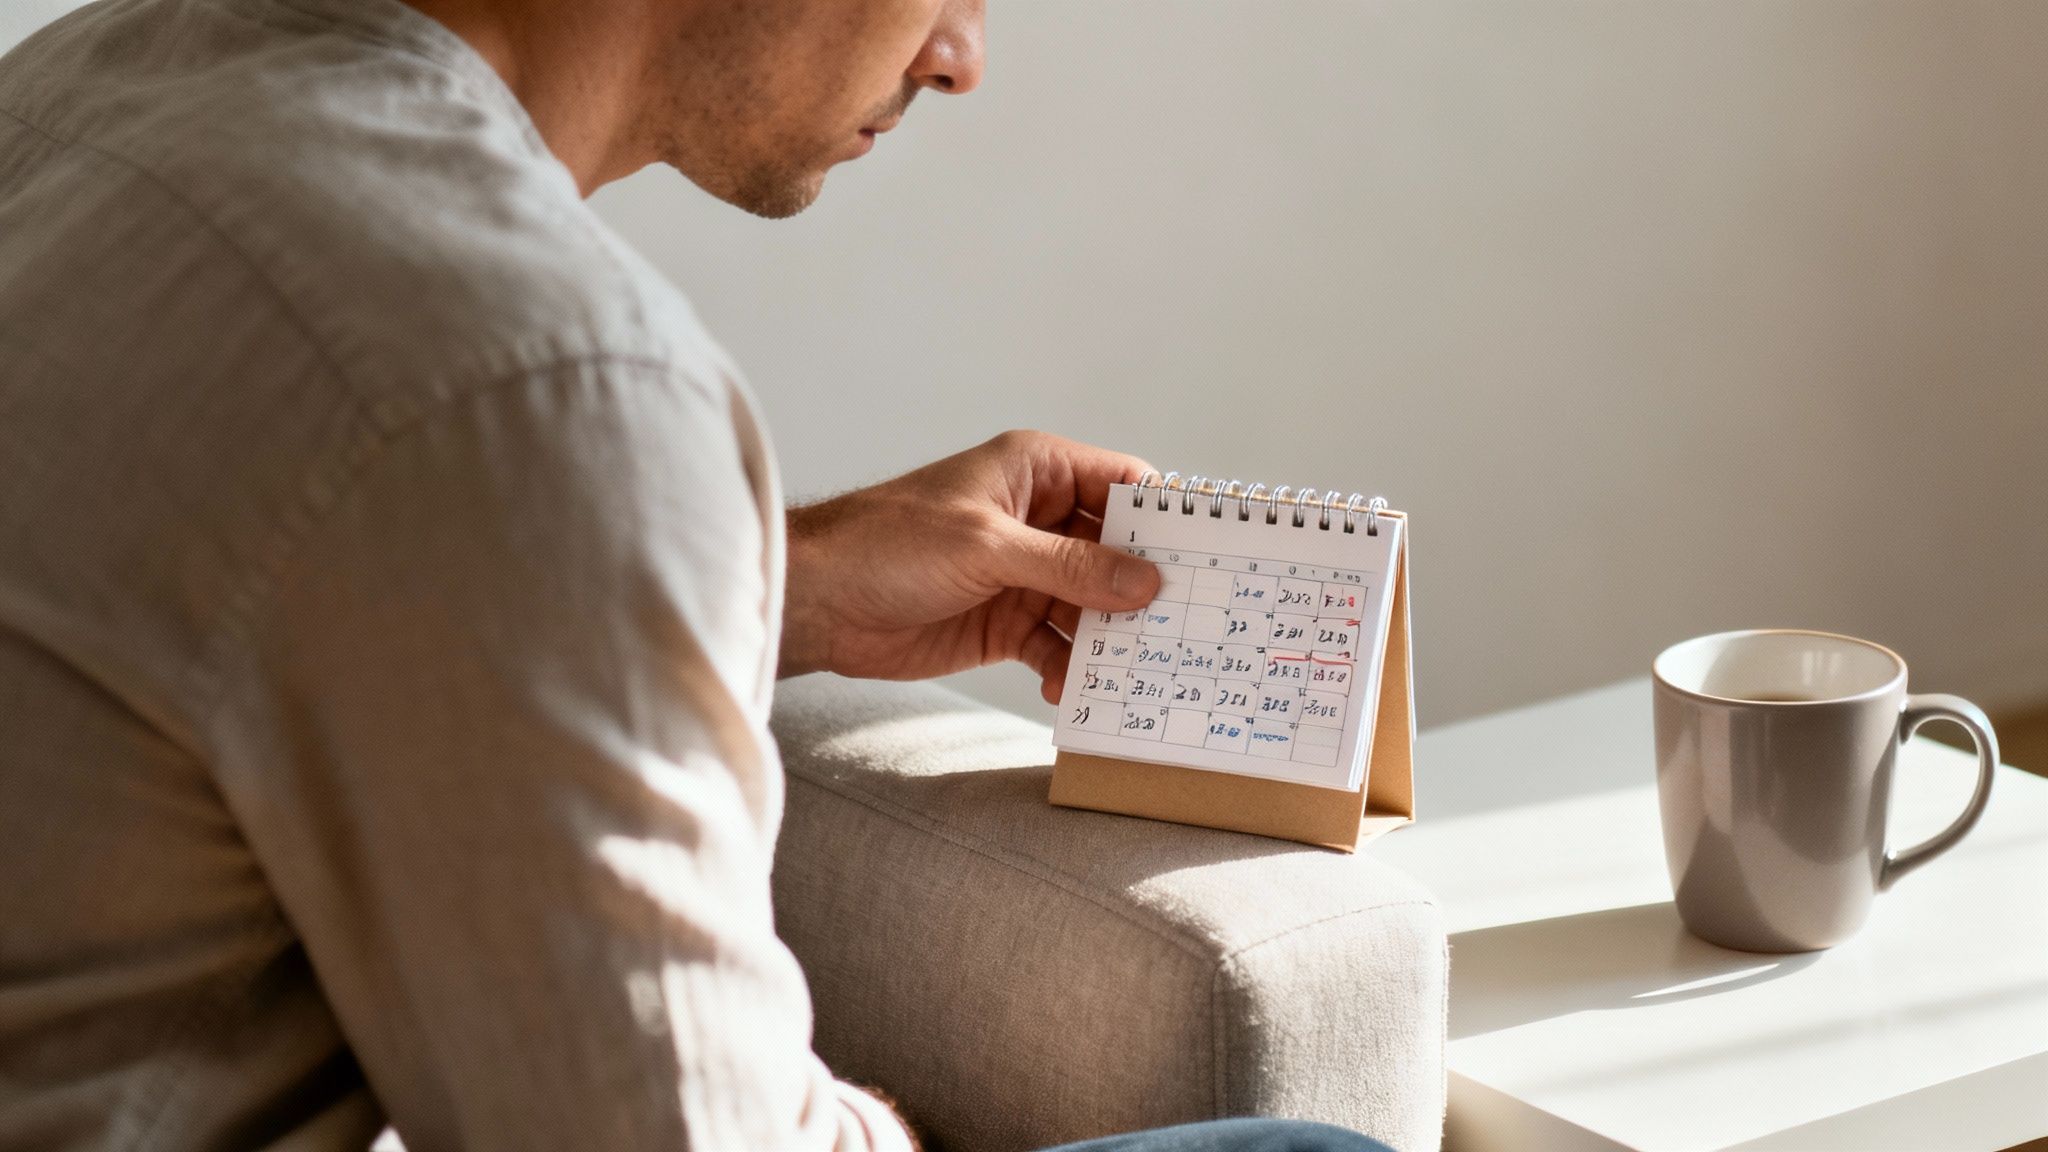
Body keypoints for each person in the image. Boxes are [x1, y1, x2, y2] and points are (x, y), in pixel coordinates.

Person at [0, 0, 1391, 1149]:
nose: (961, 55)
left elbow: (273, 594)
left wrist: (782, 575)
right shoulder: (527, 368)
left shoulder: (89, 78)